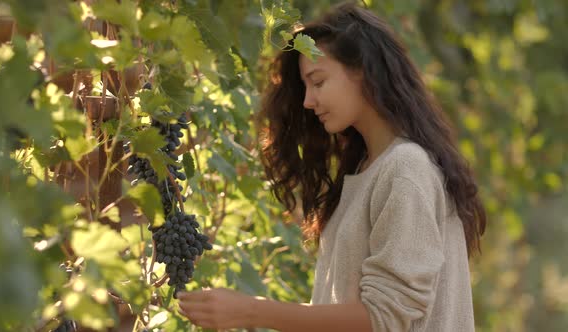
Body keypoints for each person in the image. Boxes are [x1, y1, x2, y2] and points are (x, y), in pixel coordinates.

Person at [177, 2, 486, 331]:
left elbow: (384, 318)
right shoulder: (368, 170)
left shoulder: (405, 169)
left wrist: (251, 311)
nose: (308, 102)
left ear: (364, 72)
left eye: (318, 82)